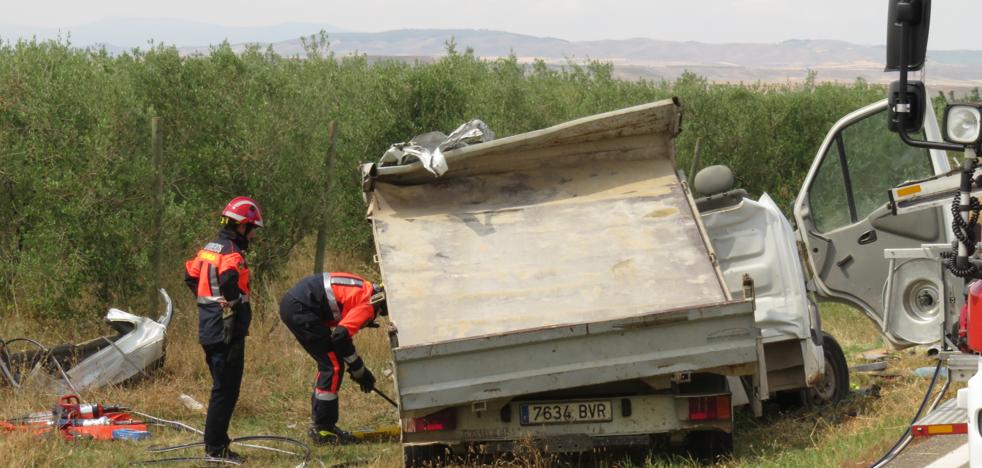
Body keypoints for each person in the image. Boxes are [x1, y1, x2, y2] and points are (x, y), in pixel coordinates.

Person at [184, 196, 264, 461]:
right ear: (241, 226)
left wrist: (210, 303)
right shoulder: (231, 253)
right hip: (226, 332)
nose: (252, 236)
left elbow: (190, 276)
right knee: (226, 390)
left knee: (221, 387)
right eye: (252, 229)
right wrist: (230, 309)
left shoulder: (209, 248)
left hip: (209, 327)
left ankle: (216, 445)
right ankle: (216, 450)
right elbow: (230, 282)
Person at [279, 272, 387, 444]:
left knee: (330, 362)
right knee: (332, 366)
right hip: (301, 307)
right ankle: (323, 430)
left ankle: (322, 425)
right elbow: (340, 337)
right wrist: (360, 370)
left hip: (298, 303)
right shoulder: (369, 303)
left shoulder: (365, 289)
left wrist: (358, 369)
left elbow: (342, 335)